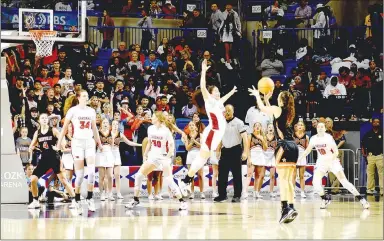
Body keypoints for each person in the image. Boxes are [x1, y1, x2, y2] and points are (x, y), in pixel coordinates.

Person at [178, 59, 237, 196]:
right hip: (213, 133)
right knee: (202, 158)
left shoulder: (218, 102)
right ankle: (186, 180)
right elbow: (203, 87)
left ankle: (186, 180)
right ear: (210, 94)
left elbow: (223, 100)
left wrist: (232, 92)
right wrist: (203, 71)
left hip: (217, 135)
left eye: (218, 91)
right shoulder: (209, 101)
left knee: (203, 159)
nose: (218, 93)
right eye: (215, 91)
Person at [248, 86, 299, 224]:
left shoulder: (279, 109)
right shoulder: (289, 112)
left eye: (278, 97)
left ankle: (284, 208)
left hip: (283, 146)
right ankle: (292, 206)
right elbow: (273, 114)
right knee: (288, 180)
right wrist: (267, 100)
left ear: (281, 100)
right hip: (293, 146)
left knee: (282, 180)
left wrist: (258, 96)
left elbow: (264, 109)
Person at [298, 123, 370, 209]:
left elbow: (336, 152)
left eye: (322, 127)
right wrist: (299, 159)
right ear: (316, 129)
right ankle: (324, 199)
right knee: (315, 183)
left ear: (325, 129)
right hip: (321, 162)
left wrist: (331, 159)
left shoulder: (328, 137)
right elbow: (307, 151)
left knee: (344, 182)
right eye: (318, 127)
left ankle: (361, 199)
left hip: (333, 161)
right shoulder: (313, 139)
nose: (320, 128)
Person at [125, 112, 187, 210]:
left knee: (168, 179)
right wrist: (145, 154)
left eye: (153, 117)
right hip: (152, 156)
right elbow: (149, 143)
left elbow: (171, 146)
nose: (151, 118)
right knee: (139, 176)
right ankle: (135, 199)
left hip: (163, 157)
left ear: (157, 118)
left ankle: (182, 202)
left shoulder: (166, 131)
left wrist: (168, 157)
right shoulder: (150, 129)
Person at [58, 90, 103, 214]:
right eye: (84, 96)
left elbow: (94, 128)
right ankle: (76, 199)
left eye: (87, 96)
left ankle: (90, 198)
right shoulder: (73, 111)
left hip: (89, 142)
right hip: (77, 143)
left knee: (92, 173)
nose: (86, 97)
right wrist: (59, 142)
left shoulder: (91, 111)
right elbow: (65, 128)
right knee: (80, 175)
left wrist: (99, 143)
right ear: (78, 98)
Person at [27, 114, 75, 209]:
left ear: (47, 120)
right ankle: (35, 201)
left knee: (63, 181)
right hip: (44, 159)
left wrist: (59, 147)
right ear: (39, 121)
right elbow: (31, 146)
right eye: (42, 118)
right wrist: (32, 147)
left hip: (54, 158)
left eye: (46, 118)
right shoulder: (37, 133)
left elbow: (63, 141)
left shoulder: (53, 130)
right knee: (33, 179)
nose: (44, 119)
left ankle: (74, 200)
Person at [111, 120, 142, 198]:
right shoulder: (107, 134)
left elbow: (129, 143)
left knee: (117, 175)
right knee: (109, 176)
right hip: (108, 154)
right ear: (111, 125)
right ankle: (109, 193)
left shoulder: (120, 134)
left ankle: (118, 193)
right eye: (113, 124)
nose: (115, 126)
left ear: (118, 126)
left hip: (116, 154)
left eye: (116, 124)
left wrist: (140, 144)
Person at [242, 122, 266, 200]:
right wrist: (249, 159)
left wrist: (263, 140)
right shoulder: (250, 136)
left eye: (259, 126)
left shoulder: (263, 137)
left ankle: (256, 192)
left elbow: (265, 149)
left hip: (260, 156)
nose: (258, 127)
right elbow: (247, 148)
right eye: (256, 126)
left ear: (261, 127)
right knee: (249, 175)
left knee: (258, 176)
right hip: (252, 156)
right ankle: (245, 192)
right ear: (253, 128)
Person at [361, 118, 383, 196]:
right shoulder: (368, 134)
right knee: (370, 173)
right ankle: (370, 189)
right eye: (375, 122)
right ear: (372, 123)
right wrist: (364, 154)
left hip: (380, 156)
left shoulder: (382, 133)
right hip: (370, 156)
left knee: (381, 174)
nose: (377, 123)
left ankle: (382, 190)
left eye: (378, 122)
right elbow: (362, 145)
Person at [184, 121, 204, 200]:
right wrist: (192, 142)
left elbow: (202, 146)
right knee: (191, 176)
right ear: (188, 127)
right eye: (190, 125)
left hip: (199, 155)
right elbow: (187, 148)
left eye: (193, 125)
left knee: (200, 175)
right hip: (190, 155)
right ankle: (192, 193)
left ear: (196, 127)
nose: (191, 126)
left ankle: (201, 193)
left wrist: (195, 141)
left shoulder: (200, 135)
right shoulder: (186, 136)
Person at [96, 118, 115, 201]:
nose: (105, 124)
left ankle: (110, 193)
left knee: (110, 176)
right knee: (102, 176)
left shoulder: (112, 133)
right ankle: (102, 194)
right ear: (101, 124)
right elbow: (94, 144)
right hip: (100, 154)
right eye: (104, 122)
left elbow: (112, 146)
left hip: (109, 153)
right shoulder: (97, 133)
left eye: (107, 122)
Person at [293, 120, 309, 199]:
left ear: (304, 127)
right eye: (298, 124)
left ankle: (302, 192)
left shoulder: (306, 137)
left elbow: (307, 148)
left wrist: (304, 155)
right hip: (294, 156)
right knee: (293, 176)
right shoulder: (293, 135)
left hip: (302, 156)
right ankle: (293, 192)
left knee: (302, 176)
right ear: (296, 127)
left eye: (301, 125)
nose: (300, 126)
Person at [264, 123, 277, 198]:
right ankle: (257, 191)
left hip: (272, 157)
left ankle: (271, 191)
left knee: (272, 176)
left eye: (272, 127)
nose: (270, 128)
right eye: (269, 127)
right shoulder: (264, 137)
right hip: (264, 156)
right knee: (260, 175)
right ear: (267, 129)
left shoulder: (276, 138)